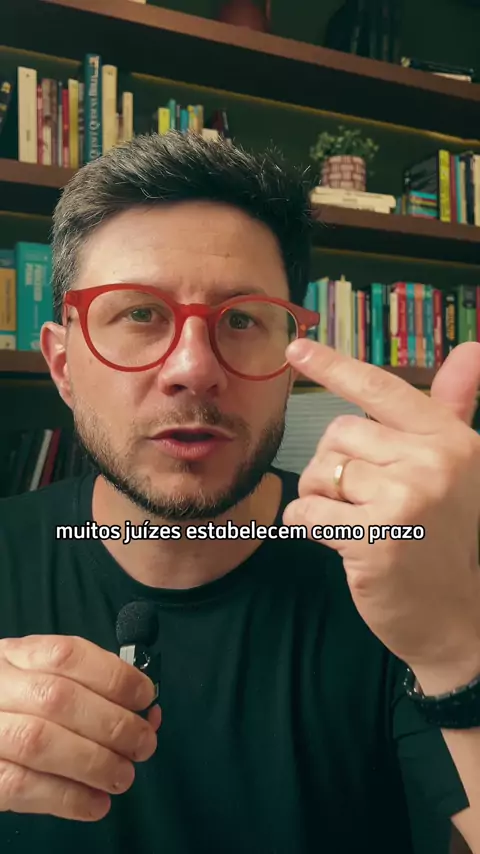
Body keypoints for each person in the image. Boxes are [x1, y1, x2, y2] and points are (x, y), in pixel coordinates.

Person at [0, 131, 479, 854]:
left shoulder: (399, 571)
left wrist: (453, 646)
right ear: (63, 366)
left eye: (243, 319)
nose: (194, 369)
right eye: (140, 314)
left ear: (290, 365)